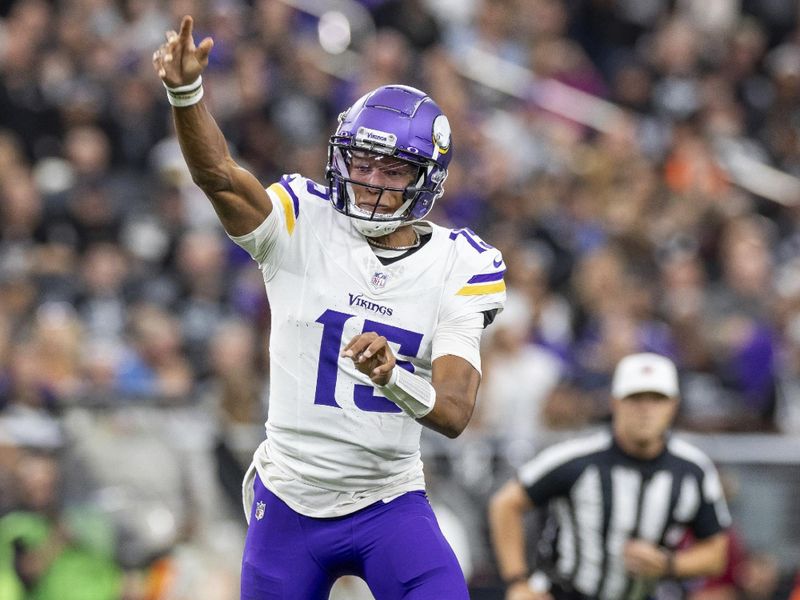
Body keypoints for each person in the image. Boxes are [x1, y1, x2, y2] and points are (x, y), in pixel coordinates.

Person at [152, 16, 506, 600]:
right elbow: (217, 176)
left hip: (388, 500)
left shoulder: (460, 263)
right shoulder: (302, 220)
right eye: (361, 163)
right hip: (290, 497)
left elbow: (453, 411)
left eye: (391, 169)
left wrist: (393, 377)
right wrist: (186, 95)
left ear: (428, 178)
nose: (368, 181)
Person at [488, 352, 731, 600]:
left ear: (673, 406)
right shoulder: (576, 458)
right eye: (635, 398)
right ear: (615, 403)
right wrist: (517, 581)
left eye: (657, 399)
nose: (646, 409)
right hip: (566, 592)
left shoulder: (693, 470)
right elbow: (505, 504)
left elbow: (717, 552)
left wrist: (668, 565)